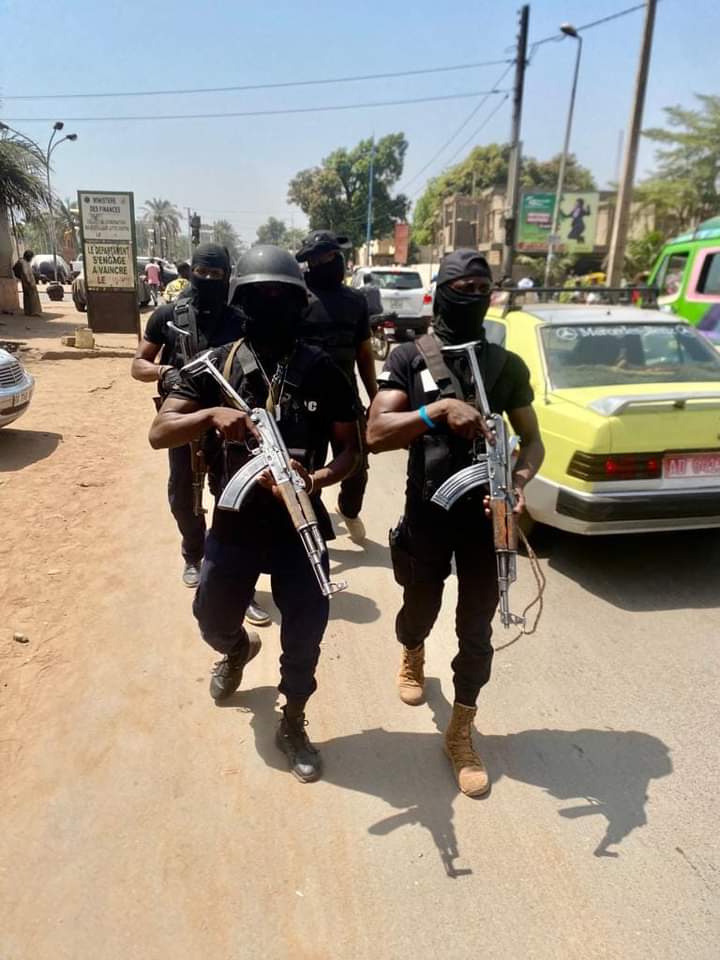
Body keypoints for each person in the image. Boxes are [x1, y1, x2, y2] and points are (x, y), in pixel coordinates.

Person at [149, 245, 360, 782]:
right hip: (235, 520)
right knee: (210, 617)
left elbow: (350, 451)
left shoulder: (323, 371)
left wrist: (317, 478)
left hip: (299, 523)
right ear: (241, 302)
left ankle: (293, 718)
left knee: (307, 629)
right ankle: (238, 648)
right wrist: (214, 414)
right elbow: (160, 432)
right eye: (259, 295)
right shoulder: (213, 367)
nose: (271, 303)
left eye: (282, 296)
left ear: (300, 302)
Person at [367, 249, 544, 798]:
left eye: (480, 285)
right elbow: (376, 431)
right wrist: (435, 412)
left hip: (487, 522)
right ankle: (413, 650)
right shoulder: (409, 358)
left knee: (476, 626)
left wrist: (516, 484)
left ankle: (462, 728)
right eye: (460, 284)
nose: (471, 292)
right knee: (419, 604)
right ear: (439, 291)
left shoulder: (506, 367)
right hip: (428, 511)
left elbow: (533, 440)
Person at [130, 244, 270, 630]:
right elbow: (138, 363)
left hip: (231, 423)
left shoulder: (240, 319)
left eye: (217, 275)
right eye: (202, 274)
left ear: (228, 276)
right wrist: (162, 374)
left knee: (236, 502)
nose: (208, 281)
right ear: (191, 271)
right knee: (183, 496)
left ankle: (241, 588)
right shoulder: (167, 316)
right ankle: (193, 553)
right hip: (187, 418)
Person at [296, 230, 378, 544]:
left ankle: (347, 508)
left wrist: (375, 399)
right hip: (306, 402)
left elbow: (365, 353)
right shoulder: (297, 296)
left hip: (346, 401)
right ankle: (310, 536)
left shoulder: (356, 301)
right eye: (314, 258)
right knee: (307, 470)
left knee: (356, 468)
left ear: (338, 257)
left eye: (327, 256)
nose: (322, 262)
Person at [13, 250, 42, 317]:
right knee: (32, 297)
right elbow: (25, 273)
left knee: (27, 297)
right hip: (28, 282)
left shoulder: (23, 262)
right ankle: (33, 311)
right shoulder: (24, 263)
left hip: (26, 282)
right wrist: (29, 282)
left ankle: (28, 311)